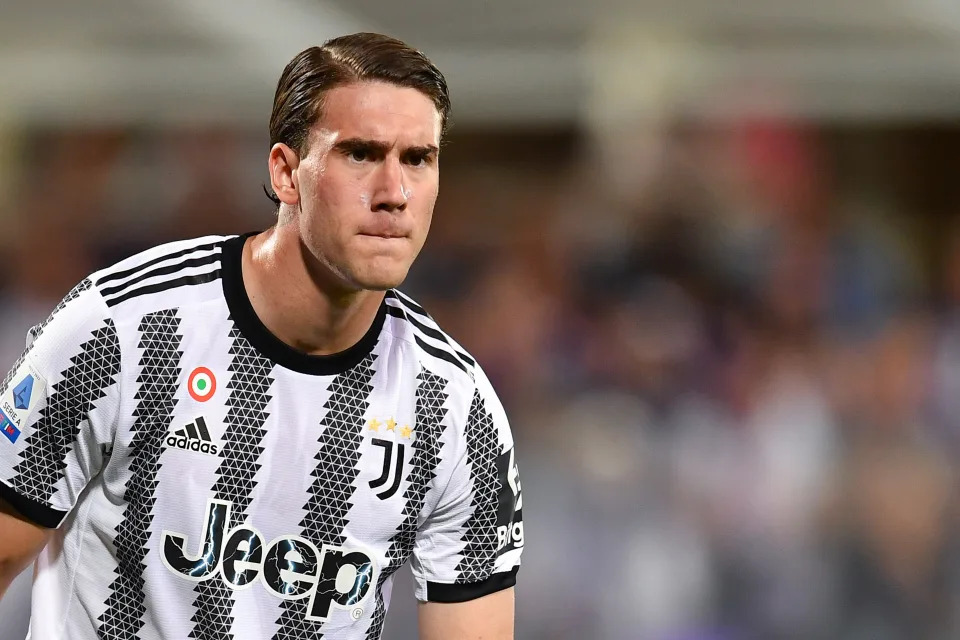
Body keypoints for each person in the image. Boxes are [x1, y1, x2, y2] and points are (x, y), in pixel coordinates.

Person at [0, 32, 523, 640]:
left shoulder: (456, 408)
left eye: (418, 159)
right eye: (360, 154)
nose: (394, 194)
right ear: (286, 172)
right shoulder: (124, 326)